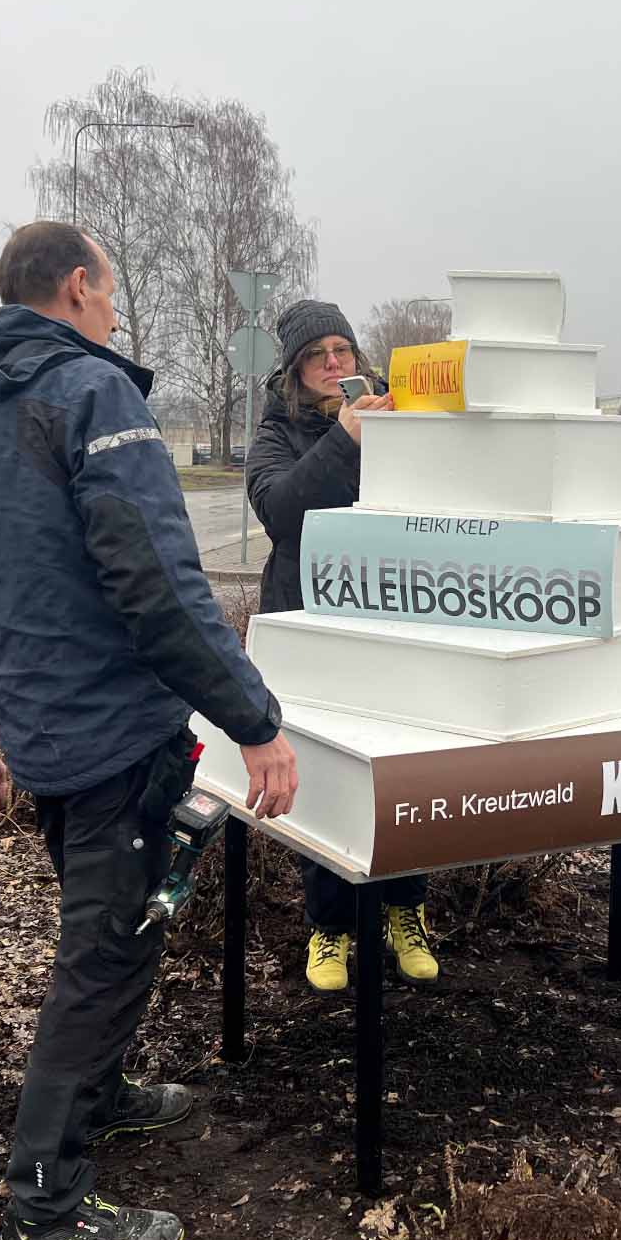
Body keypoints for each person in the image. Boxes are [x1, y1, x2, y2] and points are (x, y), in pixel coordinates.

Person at [0, 221, 299, 1240]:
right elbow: (157, 583)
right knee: (100, 959)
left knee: (116, 939)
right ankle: (43, 1202)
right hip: (109, 732)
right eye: (112, 290)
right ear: (77, 287)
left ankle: (106, 1094)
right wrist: (254, 720)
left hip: (40, 733)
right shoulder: (91, 395)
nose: (118, 311)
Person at [244, 300, 439, 994]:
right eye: (317, 355)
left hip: (389, 625)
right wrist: (346, 441)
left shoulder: (394, 423)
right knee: (324, 775)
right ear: (296, 371)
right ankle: (330, 926)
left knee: (401, 765)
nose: (334, 362)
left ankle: (403, 910)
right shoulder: (275, 433)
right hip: (310, 627)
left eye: (343, 349)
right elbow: (281, 510)